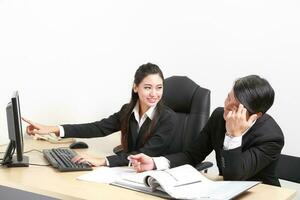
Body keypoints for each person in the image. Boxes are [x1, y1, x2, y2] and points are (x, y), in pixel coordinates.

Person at [129, 75, 284, 186]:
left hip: (262, 193)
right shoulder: (218, 116)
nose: (227, 107)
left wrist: (233, 135)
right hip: (227, 190)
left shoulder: (272, 137)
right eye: (229, 98)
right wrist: (155, 163)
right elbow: (192, 155)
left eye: (236, 107)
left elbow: (234, 176)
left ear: (256, 116)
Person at [23, 63, 177, 167]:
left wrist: (102, 161)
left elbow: (144, 154)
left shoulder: (167, 118)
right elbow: (98, 128)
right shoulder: (128, 110)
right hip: (129, 171)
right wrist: (53, 129)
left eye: (159, 88)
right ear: (135, 87)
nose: (154, 94)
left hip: (156, 177)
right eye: (148, 87)